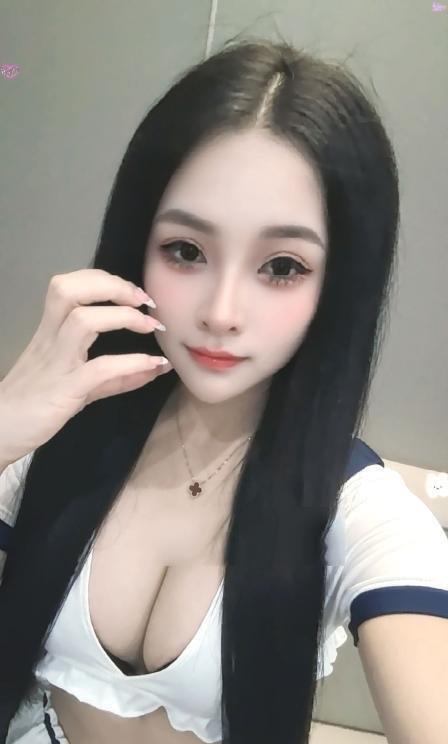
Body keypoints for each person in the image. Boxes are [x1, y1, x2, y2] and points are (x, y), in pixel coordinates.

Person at [0, 36, 447, 744]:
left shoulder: (352, 506)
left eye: (282, 266)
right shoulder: (64, 429)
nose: (221, 311)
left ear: (337, 283)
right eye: (186, 251)